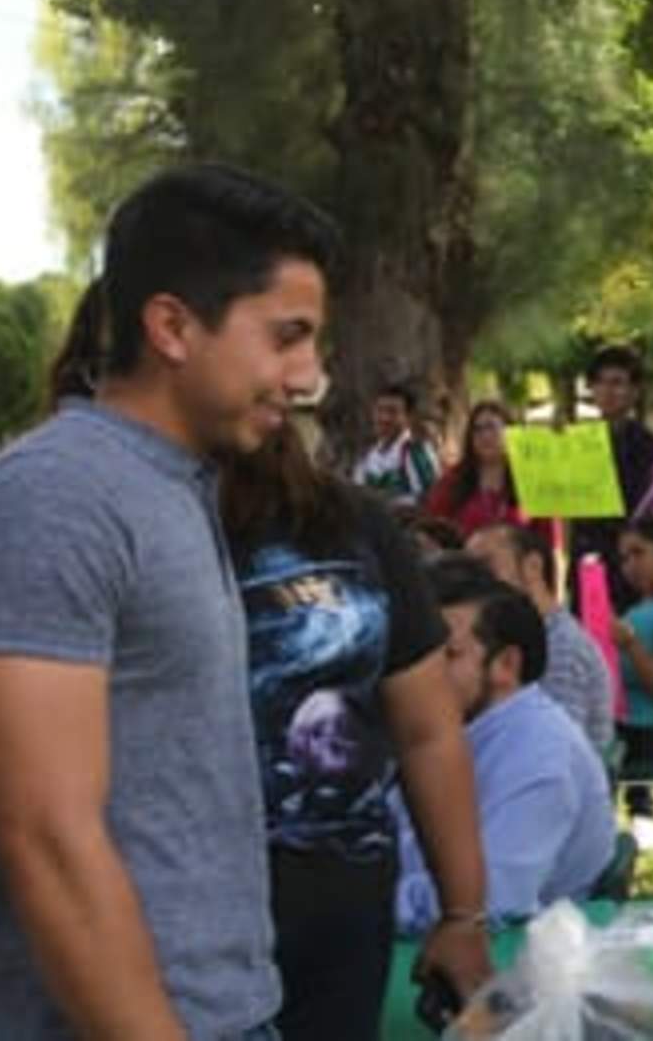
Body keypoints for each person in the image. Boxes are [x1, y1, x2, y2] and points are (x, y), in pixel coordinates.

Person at [0, 164, 337, 1040]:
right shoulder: (56, 499)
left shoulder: (171, 487)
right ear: (172, 327)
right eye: (287, 338)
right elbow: (46, 839)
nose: (307, 377)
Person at [220, 423, 492, 1040]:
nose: (292, 382)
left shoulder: (356, 524)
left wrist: (463, 914)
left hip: (337, 915)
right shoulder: (128, 518)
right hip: (173, 917)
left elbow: (429, 730)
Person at [395, 556, 615, 931]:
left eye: (448, 655)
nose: (421, 674)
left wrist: (355, 900)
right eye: (416, 656)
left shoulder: (540, 753)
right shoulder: (455, 731)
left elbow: (495, 901)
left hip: (508, 953)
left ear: (506, 665)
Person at [468, 521, 614, 753]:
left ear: (533, 566)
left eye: (486, 565)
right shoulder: (535, 637)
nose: (475, 580)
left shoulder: (562, 645)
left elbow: (556, 746)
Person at [570, 345, 653, 613]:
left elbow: (642, 508)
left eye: (617, 383)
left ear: (634, 391)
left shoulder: (648, 446)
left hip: (630, 567)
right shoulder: (578, 442)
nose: (608, 391)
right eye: (600, 383)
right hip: (585, 561)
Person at [612, 518, 653, 814]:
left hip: (652, 738)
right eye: (624, 558)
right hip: (626, 730)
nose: (630, 565)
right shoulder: (636, 611)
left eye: (639, 553)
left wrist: (630, 645)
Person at [422, 400, 551, 543]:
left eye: (491, 427)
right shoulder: (452, 481)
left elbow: (548, 538)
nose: (485, 436)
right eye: (477, 429)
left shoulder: (532, 481)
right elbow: (432, 531)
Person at [353, 382, 440, 509]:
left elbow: (432, 499)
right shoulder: (366, 457)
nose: (384, 418)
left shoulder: (416, 452)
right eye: (380, 410)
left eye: (392, 412)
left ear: (409, 417)